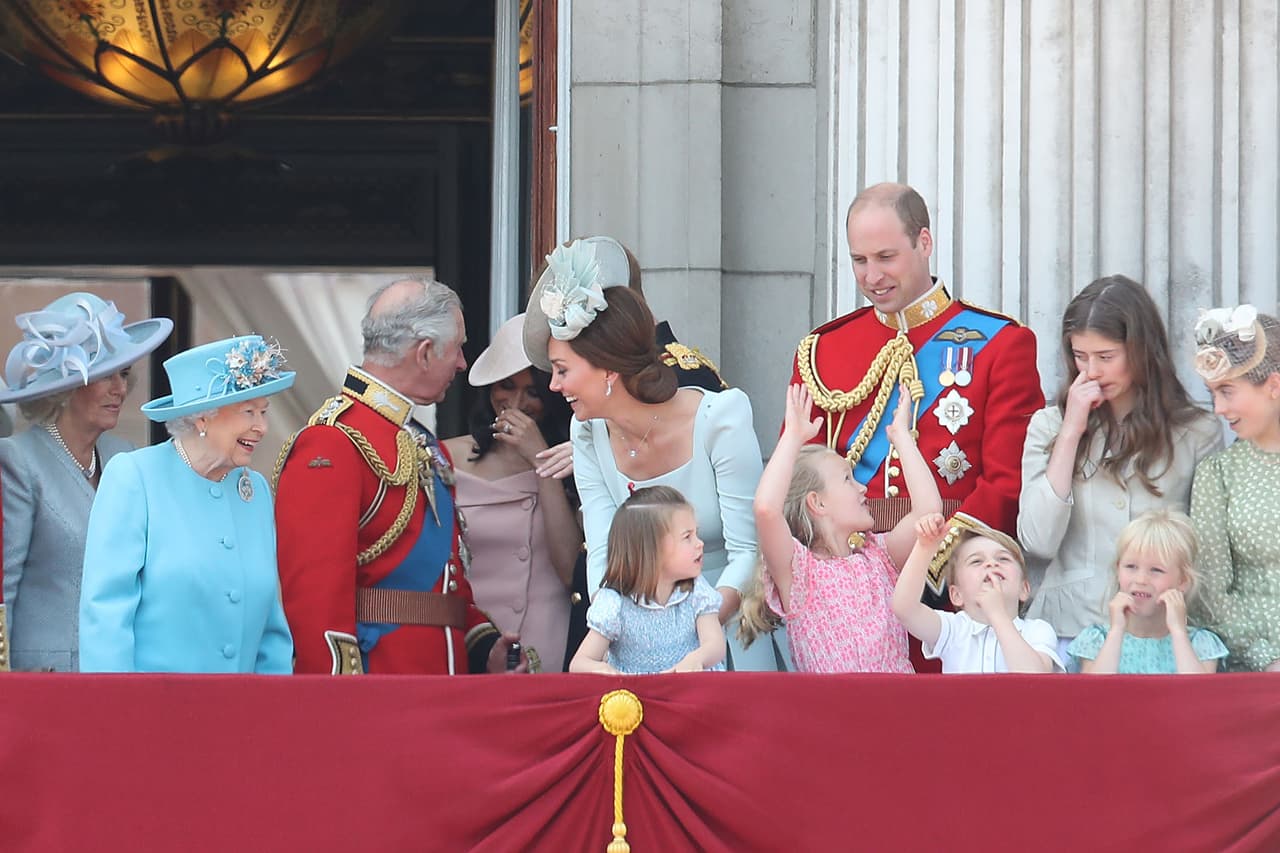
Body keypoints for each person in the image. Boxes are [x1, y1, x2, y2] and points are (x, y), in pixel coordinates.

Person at [523, 236, 780, 670]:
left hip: (729, 635)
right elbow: (606, 553)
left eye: (563, 371)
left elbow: (748, 552)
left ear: (606, 367)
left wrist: (690, 628)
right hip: (637, 644)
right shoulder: (586, 433)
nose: (554, 386)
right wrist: (623, 631)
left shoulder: (722, 417)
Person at [791, 183, 1042, 599]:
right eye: (859, 260)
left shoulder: (1000, 343)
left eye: (886, 257)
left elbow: (1004, 484)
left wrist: (932, 560)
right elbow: (799, 479)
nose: (872, 277)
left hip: (950, 583)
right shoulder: (823, 350)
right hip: (845, 582)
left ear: (924, 242)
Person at [274, 278, 523, 675]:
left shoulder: (426, 446)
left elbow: (448, 586)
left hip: (441, 688)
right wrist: (338, 700)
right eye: (457, 348)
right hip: (381, 688)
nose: (462, 363)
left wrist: (484, 647)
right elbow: (312, 601)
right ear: (424, 353)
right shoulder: (332, 444)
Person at [1019, 276, 1222, 664]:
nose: (1091, 370)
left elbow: (1206, 549)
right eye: (1080, 356)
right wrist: (1071, 431)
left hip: (1163, 634)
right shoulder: (1049, 425)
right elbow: (1037, 540)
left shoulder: (1198, 431)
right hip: (1071, 628)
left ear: (1142, 351)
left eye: (1106, 356)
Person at [78, 334, 294, 673]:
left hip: (243, 716)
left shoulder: (256, 491)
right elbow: (105, 617)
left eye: (264, 411)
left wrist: (277, 714)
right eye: (248, 411)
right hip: (154, 715)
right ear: (201, 418)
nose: (262, 427)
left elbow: (271, 628)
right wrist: (116, 715)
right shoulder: (135, 477)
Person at [0, 292, 171, 671]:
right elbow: (3, 590)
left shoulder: (124, 456)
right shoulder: (19, 460)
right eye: (105, 375)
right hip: (43, 680)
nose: (120, 388)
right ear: (67, 385)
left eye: (124, 374)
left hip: (116, 674)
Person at [738, 383, 939, 672]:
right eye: (847, 479)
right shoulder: (799, 571)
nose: (862, 487)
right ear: (817, 503)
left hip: (897, 709)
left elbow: (928, 511)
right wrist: (793, 438)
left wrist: (902, 437)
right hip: (833, 713)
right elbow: (766, 509)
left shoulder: (879, 557)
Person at [443, 313, 581, 672]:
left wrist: (540, 459)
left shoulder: (575, 461)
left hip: (546, 638)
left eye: (533, 391)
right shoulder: (443, 456)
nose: (516, 402)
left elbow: (570, 571)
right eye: (505, 386)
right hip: (470, 643)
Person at [1189, 305, 1280, 672]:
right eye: (1212, 393)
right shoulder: (1219, 473)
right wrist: (1267, 659)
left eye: (1227, 391)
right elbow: (1209, 593)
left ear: (1274, 385)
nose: (1217, 409)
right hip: (1255, 677)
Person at [569, 486, 725, 674]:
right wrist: (605, 670)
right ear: (653, 549)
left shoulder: (696, 591)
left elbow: (715, 645)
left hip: (691, 693)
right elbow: (579, 663)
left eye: (696, 534)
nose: (699, 543)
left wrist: (696, 659)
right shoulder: (614, 604)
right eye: (687, 537)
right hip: (638, 699)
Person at [893, 513, 1063, 673]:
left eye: (1003, 558)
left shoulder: (1037, 631)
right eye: (976, 561)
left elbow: (1035, 678)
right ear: (956, 595)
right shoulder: (953, 629)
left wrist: (997, 615)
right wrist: (925, 548)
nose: (991, 564)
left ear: (1024, 589)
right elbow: (904, 608)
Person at [1068, 510, 1225, 674]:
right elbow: (1094, 694)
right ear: (1118, 570)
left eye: (1156, 570)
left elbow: (1198, 696)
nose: (1141, 579)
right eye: (1131, 567)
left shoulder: (1200, 643)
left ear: (1183, 581)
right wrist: (1116, 631)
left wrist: (1178, 632)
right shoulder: (1097, 640)